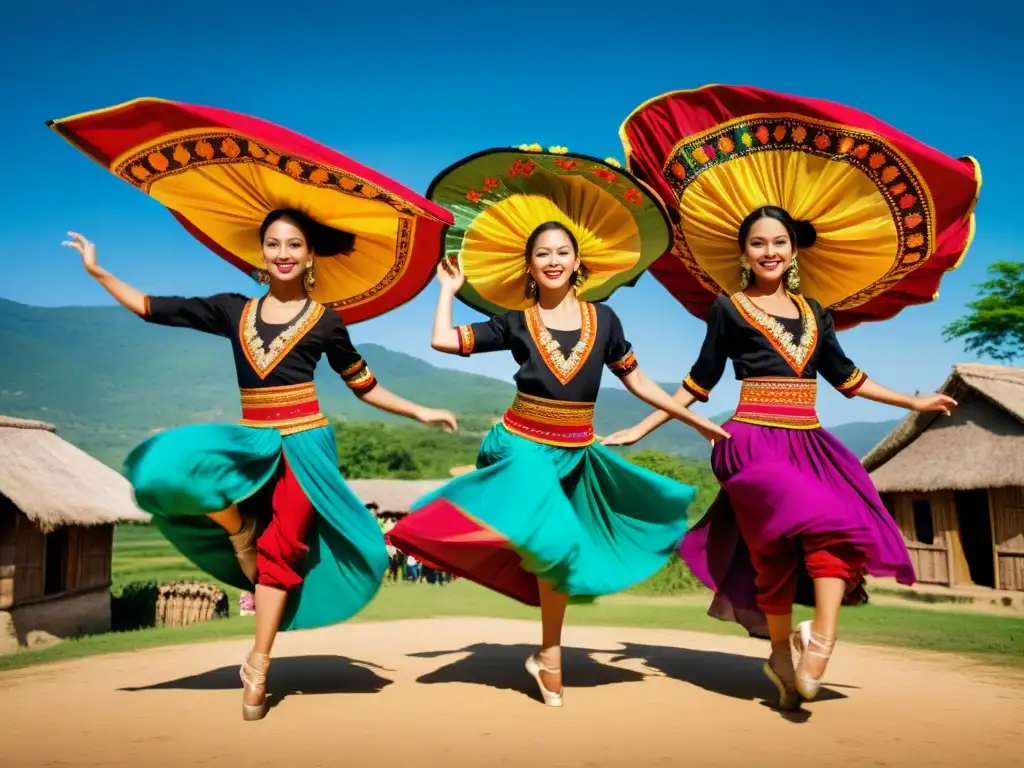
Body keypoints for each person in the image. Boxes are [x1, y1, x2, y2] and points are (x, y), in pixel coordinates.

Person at [61, 210, 457, 721]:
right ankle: (237, 526)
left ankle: (258, 664)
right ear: (261, 253)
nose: (284, 253)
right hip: (251, 441)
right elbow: (152, 307)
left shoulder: (327, 320)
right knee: (172, 469)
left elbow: (364, 385)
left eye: (295, 244)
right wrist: (99, 272)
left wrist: (421, 410)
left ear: (310, 255)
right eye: (273, 244)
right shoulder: (233, 311)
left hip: (305, 447)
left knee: (282, 551)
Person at [603, 205, 957, 710]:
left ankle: (813, 647)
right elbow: (698, 382)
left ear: (793, 250)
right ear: (745, 253)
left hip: (809, 439)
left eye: (779, 242)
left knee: (834, 526)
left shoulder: (817, 312)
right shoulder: (727, 308)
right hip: (749, 441)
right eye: (758, 243)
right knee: (789, 536)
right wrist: (641, 427)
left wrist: (914, 401)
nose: (769, 252)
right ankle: (782, 654)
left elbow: (848, 377)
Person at [389, 220, 730, 708]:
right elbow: (444, 341)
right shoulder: (515, 321)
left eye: (561, 252)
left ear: (577, 262)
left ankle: (549, 656)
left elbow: (640, 383)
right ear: (529, 266)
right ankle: (453, 520)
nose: (552, 261)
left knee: (559, 559)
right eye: (542, 254)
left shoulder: (606, 321)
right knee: (552, 539)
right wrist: (447, 290)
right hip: (520, 444)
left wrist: (688, 420)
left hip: (575, 452)